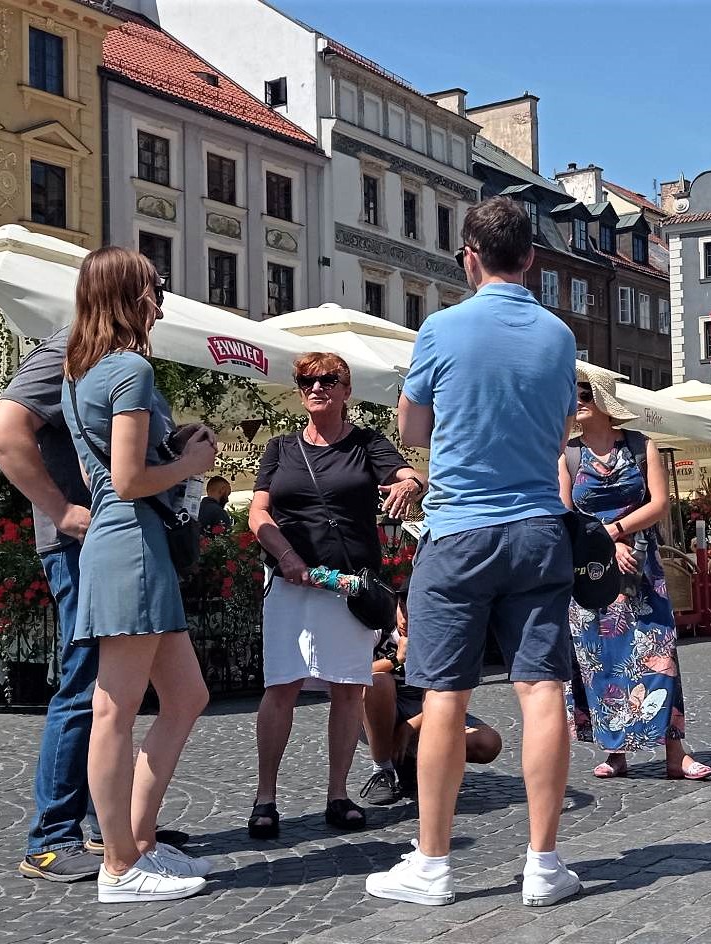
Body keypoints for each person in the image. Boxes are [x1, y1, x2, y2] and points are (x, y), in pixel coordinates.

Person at [369, 196, 580, 907]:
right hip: (539, 528)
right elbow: (559, 432)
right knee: (542, 690)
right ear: (531, 259)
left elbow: (413, 429)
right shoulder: (559, 336)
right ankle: (544, 864)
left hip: (460, 530)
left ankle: (432, 865)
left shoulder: (441, 328)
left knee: (444, 696)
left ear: (469, 257)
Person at [60, 246, 217, 901]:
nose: (162, 301)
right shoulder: (129, 368)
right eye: (155, 288)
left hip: (122, 541)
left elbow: (104, 469)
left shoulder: (81, 372)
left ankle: (138, 841)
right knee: (114, 708)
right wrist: (188, 465)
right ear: (131, 296)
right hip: (132, 545)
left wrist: (168, 447)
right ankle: (120, 865)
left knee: (185, 697)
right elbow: (126, 481)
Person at [247, 352, 422, 839]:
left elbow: (408, 475)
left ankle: (338, 795)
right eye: (307, 380)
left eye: (328, 379)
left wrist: (410, 485)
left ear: (346, 390)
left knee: (347, 689)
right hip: (291, 583)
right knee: (281, 687)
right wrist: (285, 556)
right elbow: (258, 513)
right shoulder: (281, 448)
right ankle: (265, 797)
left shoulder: (367, 443)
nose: (317, 387)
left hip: (349, 587)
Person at [0, 327, 103, 881]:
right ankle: (52, 838)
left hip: (101, 544)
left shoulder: (103, 352)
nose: (159, 305)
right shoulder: (71, 346)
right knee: (85, 684)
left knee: (109, 687)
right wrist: (60, 511)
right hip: (78, 545)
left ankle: (105, 824)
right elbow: (3, 430)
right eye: (155, 290)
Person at [560, 363, 711, 782]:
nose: (577, 402)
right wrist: (606, 544)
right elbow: (565, 514)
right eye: (574, 396)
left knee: (658, 654)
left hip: (643, 567)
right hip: (591, 570)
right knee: (600, 659)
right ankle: (615, 750)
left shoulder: (641, 445)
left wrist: (617, 531)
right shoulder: (568, 454)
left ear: (604, 402)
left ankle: (675, 751)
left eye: (585, 395)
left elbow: (659, 504)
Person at [359, 580, 503, 805]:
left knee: (488, 742)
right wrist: (396, 659)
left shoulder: (444, 636)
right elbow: (353, 674)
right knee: (378, 681)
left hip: (430, 709)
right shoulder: (380, 627)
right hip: (381, 711)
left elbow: (455, 695)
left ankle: (414, 762)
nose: (405, 620)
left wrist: (410, 727)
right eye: (402, 609)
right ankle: (383, 770)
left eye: (414, 612)